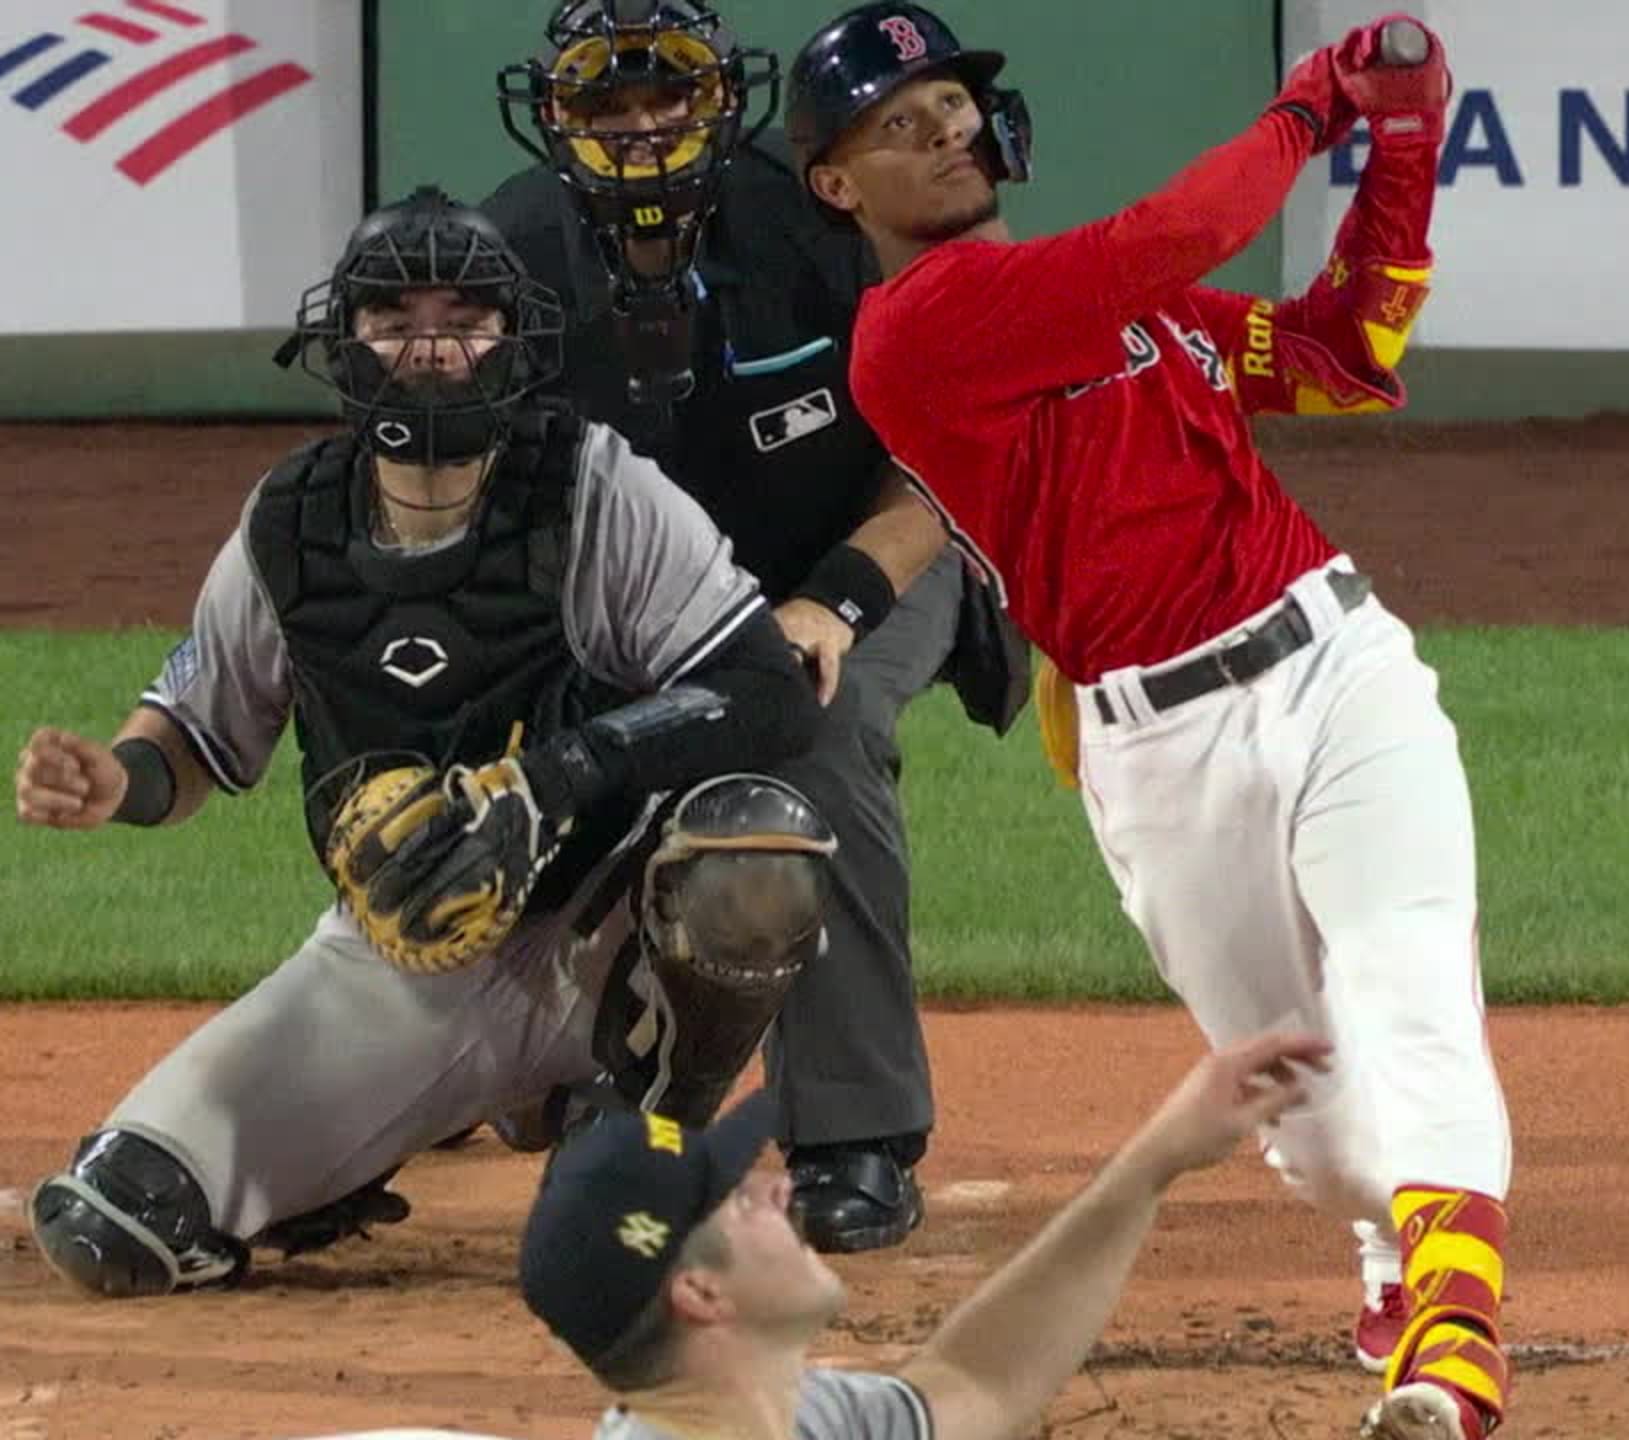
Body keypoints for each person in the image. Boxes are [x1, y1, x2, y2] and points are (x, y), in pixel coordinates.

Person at [786, 6, 1513, 1438]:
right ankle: (1391, 1246)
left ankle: (1454, 1337)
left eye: (949, 104)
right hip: (1157, 753)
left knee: (1409, 966)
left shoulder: (1123, 307)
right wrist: (1317, 105)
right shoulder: (919, 333)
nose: (941, 130)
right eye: (896, 123)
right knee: (1299, 1106)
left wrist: (1406, 153)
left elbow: (1344, 354)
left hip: (1336, 662)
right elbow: (1181, 230)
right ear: (837, 185)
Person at [8, 185, 837, 1299]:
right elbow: (197, 733)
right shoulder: (291, 523)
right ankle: (387, 1128)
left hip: (604, 932)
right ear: (344, 340)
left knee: (757, 850)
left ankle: (650, 1140)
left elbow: (766, 694)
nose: (432, 344)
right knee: (115, 1223)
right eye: (395, 318)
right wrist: (121, 777)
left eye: (464, 316)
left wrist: (553, 781)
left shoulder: (595, 487)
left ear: (513, 335)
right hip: (403, 961)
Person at [479, 0, 1030, 1255]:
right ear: (553, 114)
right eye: (604, 107)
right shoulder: (509, 252)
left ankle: (856, 1137)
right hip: (646, 600)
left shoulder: (826, 217)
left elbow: (950, 444)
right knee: (529, 732)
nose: (640, 129)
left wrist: (832, 602)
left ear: (719, 97)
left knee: (806, 731)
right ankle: (546, 1048)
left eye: (664, 96)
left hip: (879, 543)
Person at [517, 1029, 1334, 1440]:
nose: (778, 1186)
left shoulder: (780, 1413)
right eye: (735, 1201)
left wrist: (1155, 1160)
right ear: (698, 1291)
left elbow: (974, 1381)